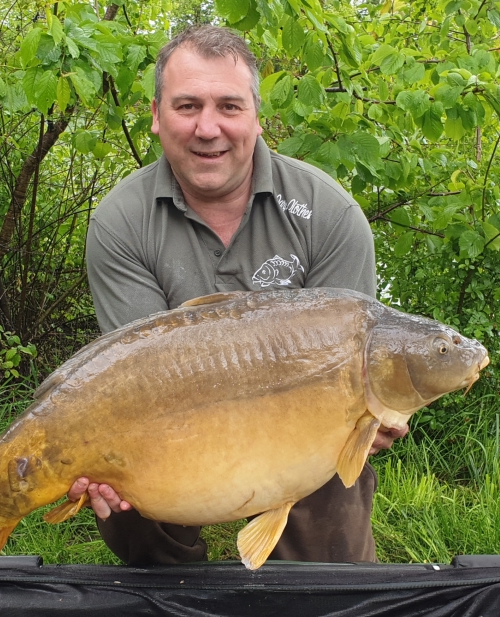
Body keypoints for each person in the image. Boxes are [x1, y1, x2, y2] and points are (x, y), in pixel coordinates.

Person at [66, 24, 407, 565]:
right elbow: (137, 382)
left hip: (298, 428)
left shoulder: (329, 213)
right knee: (126, 494)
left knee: (331, 492)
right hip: (173, 424)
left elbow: (358, 358)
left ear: (256, 117)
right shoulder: (121, 223)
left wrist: (371, 416)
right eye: (186, 106)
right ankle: (176, 591)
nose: (208, 128)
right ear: (156, 116)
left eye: (229, 106)